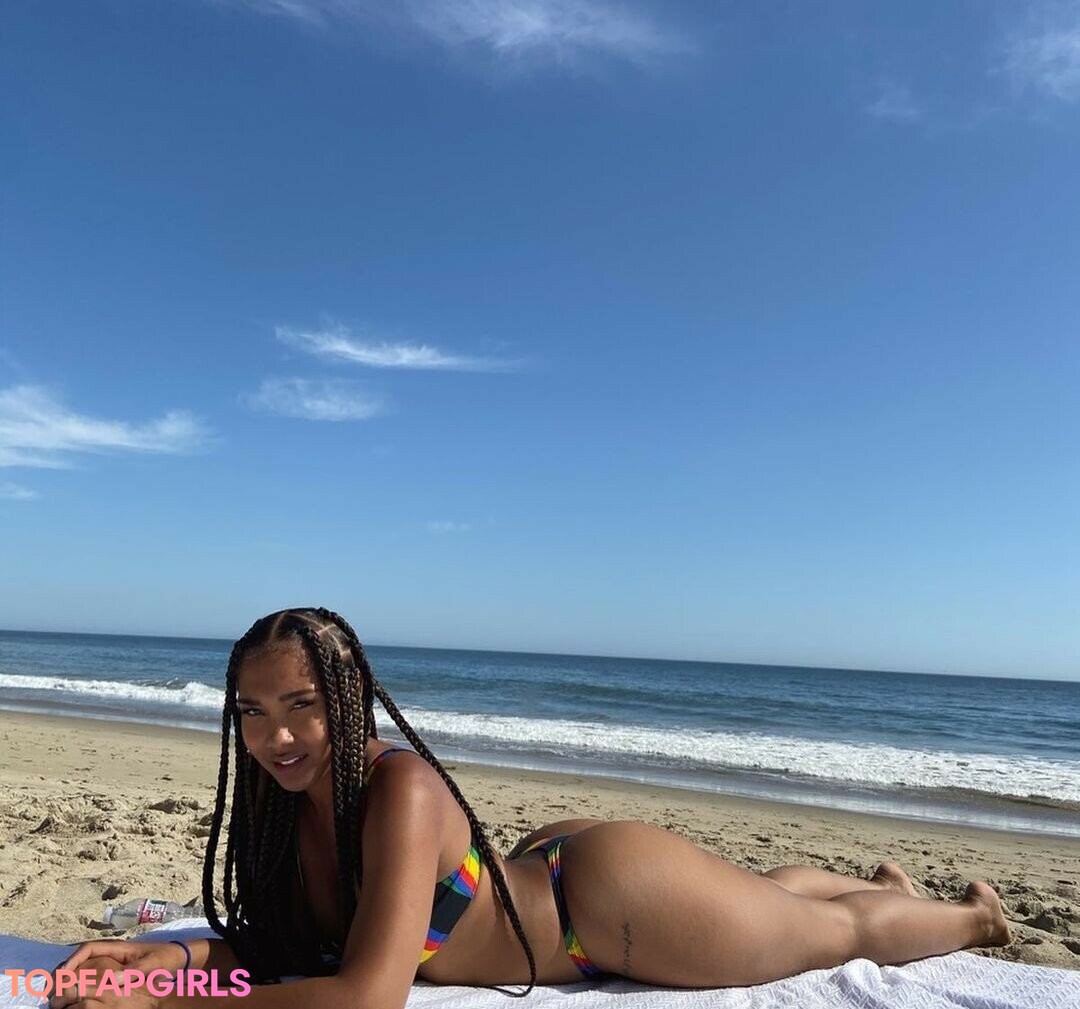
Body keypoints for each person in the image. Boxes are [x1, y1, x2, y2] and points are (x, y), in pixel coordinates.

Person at [52, 607, 1011, 1009]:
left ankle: (972, 914)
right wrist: (167, 961)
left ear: (347, 701)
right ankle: (877, 879)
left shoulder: (399, 787)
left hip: (607, 911)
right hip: (542, 868)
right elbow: (285, 950)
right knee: (766, 893)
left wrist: (162, 1005)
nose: (277, 737)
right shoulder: (284, 803)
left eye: (302, 706)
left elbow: (368, 995)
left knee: (837, 934)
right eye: (254, 713)